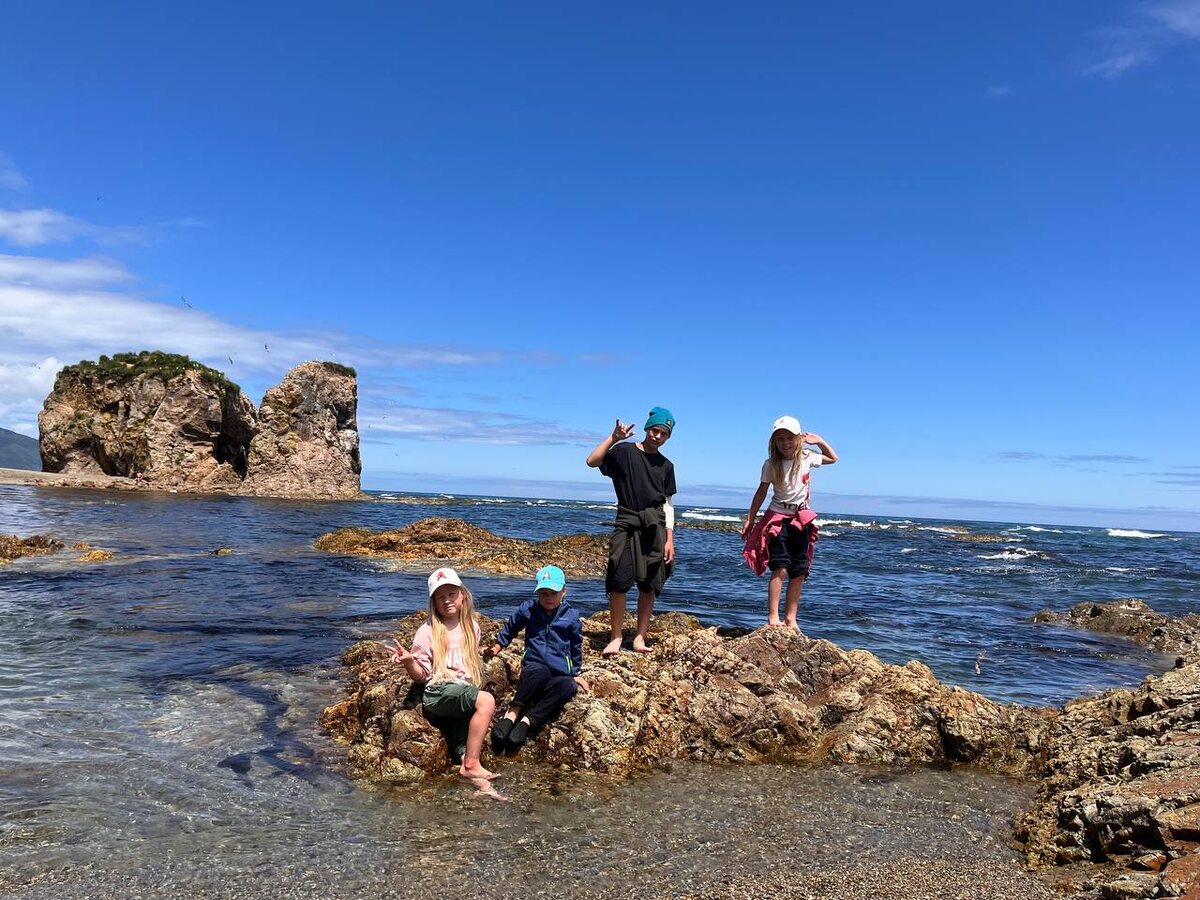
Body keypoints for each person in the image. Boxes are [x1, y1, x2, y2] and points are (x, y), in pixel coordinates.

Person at [387, 566, 500, 787]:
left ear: (462, 594)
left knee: (461, 741)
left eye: (451, 594)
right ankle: (472, 764)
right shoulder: (427, 630)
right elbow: (421, 676)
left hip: (460, 693)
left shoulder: (472, 627)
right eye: (440, 597)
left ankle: (481, 784)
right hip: (438, 693)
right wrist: (409, 661)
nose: (447, 600)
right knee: (486, 701)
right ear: (434, 602)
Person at [586, 407, 677, 656]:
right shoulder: (624, 452)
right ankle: (616, 636)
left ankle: (639, 637)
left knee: (648, 584)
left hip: (654, 526)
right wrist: (613, 438)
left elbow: (667, 504)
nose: (658, 436)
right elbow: (592, 461)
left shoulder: (666, 466)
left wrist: (669, 539)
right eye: (655, 430)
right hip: (626, 522)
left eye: (664, 434)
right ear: (648, 428)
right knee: (619, 580)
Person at [741, 416, 838, 628]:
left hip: (801, 519)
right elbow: (761, 493)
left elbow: (833, 458)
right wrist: (750, 518)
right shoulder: (770, 464)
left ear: (798, 439)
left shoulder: (807, 457)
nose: (786, 443)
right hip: (777, 518)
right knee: (780, 567)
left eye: (790, 438)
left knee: (799, 570)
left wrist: (819, 441)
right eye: (781, 438)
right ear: (774, 442)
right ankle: (773, 617)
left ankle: (791, 618)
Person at [484, 565, 590, 747]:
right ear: (538, 593)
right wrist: (498, 646)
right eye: (543, 593)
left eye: (553, 593)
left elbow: (575, 646)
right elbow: (511, 627)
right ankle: (513, 712)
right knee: (539, 672)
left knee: (568, 686)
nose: (548, 598)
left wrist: (575, 673)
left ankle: (528, 721)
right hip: (534, 666)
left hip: (559, 672)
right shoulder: (529, 609)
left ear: (564, 591)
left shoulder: (571, 616)